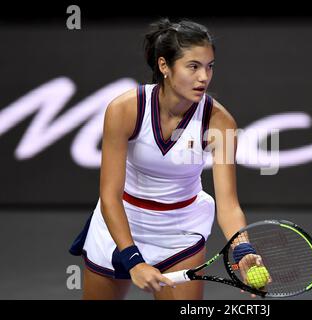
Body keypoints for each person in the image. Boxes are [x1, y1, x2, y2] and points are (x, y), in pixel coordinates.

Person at [69, 18, 258, 300]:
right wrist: (133, 260)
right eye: (193, 66)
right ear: (164, 66)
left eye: (209, 66)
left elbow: (228, 204)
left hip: (181, 230)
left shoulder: (220, 123)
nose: (204, 77)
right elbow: (109, 196)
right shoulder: (125, 110)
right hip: (121, 221)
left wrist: (243, 248)